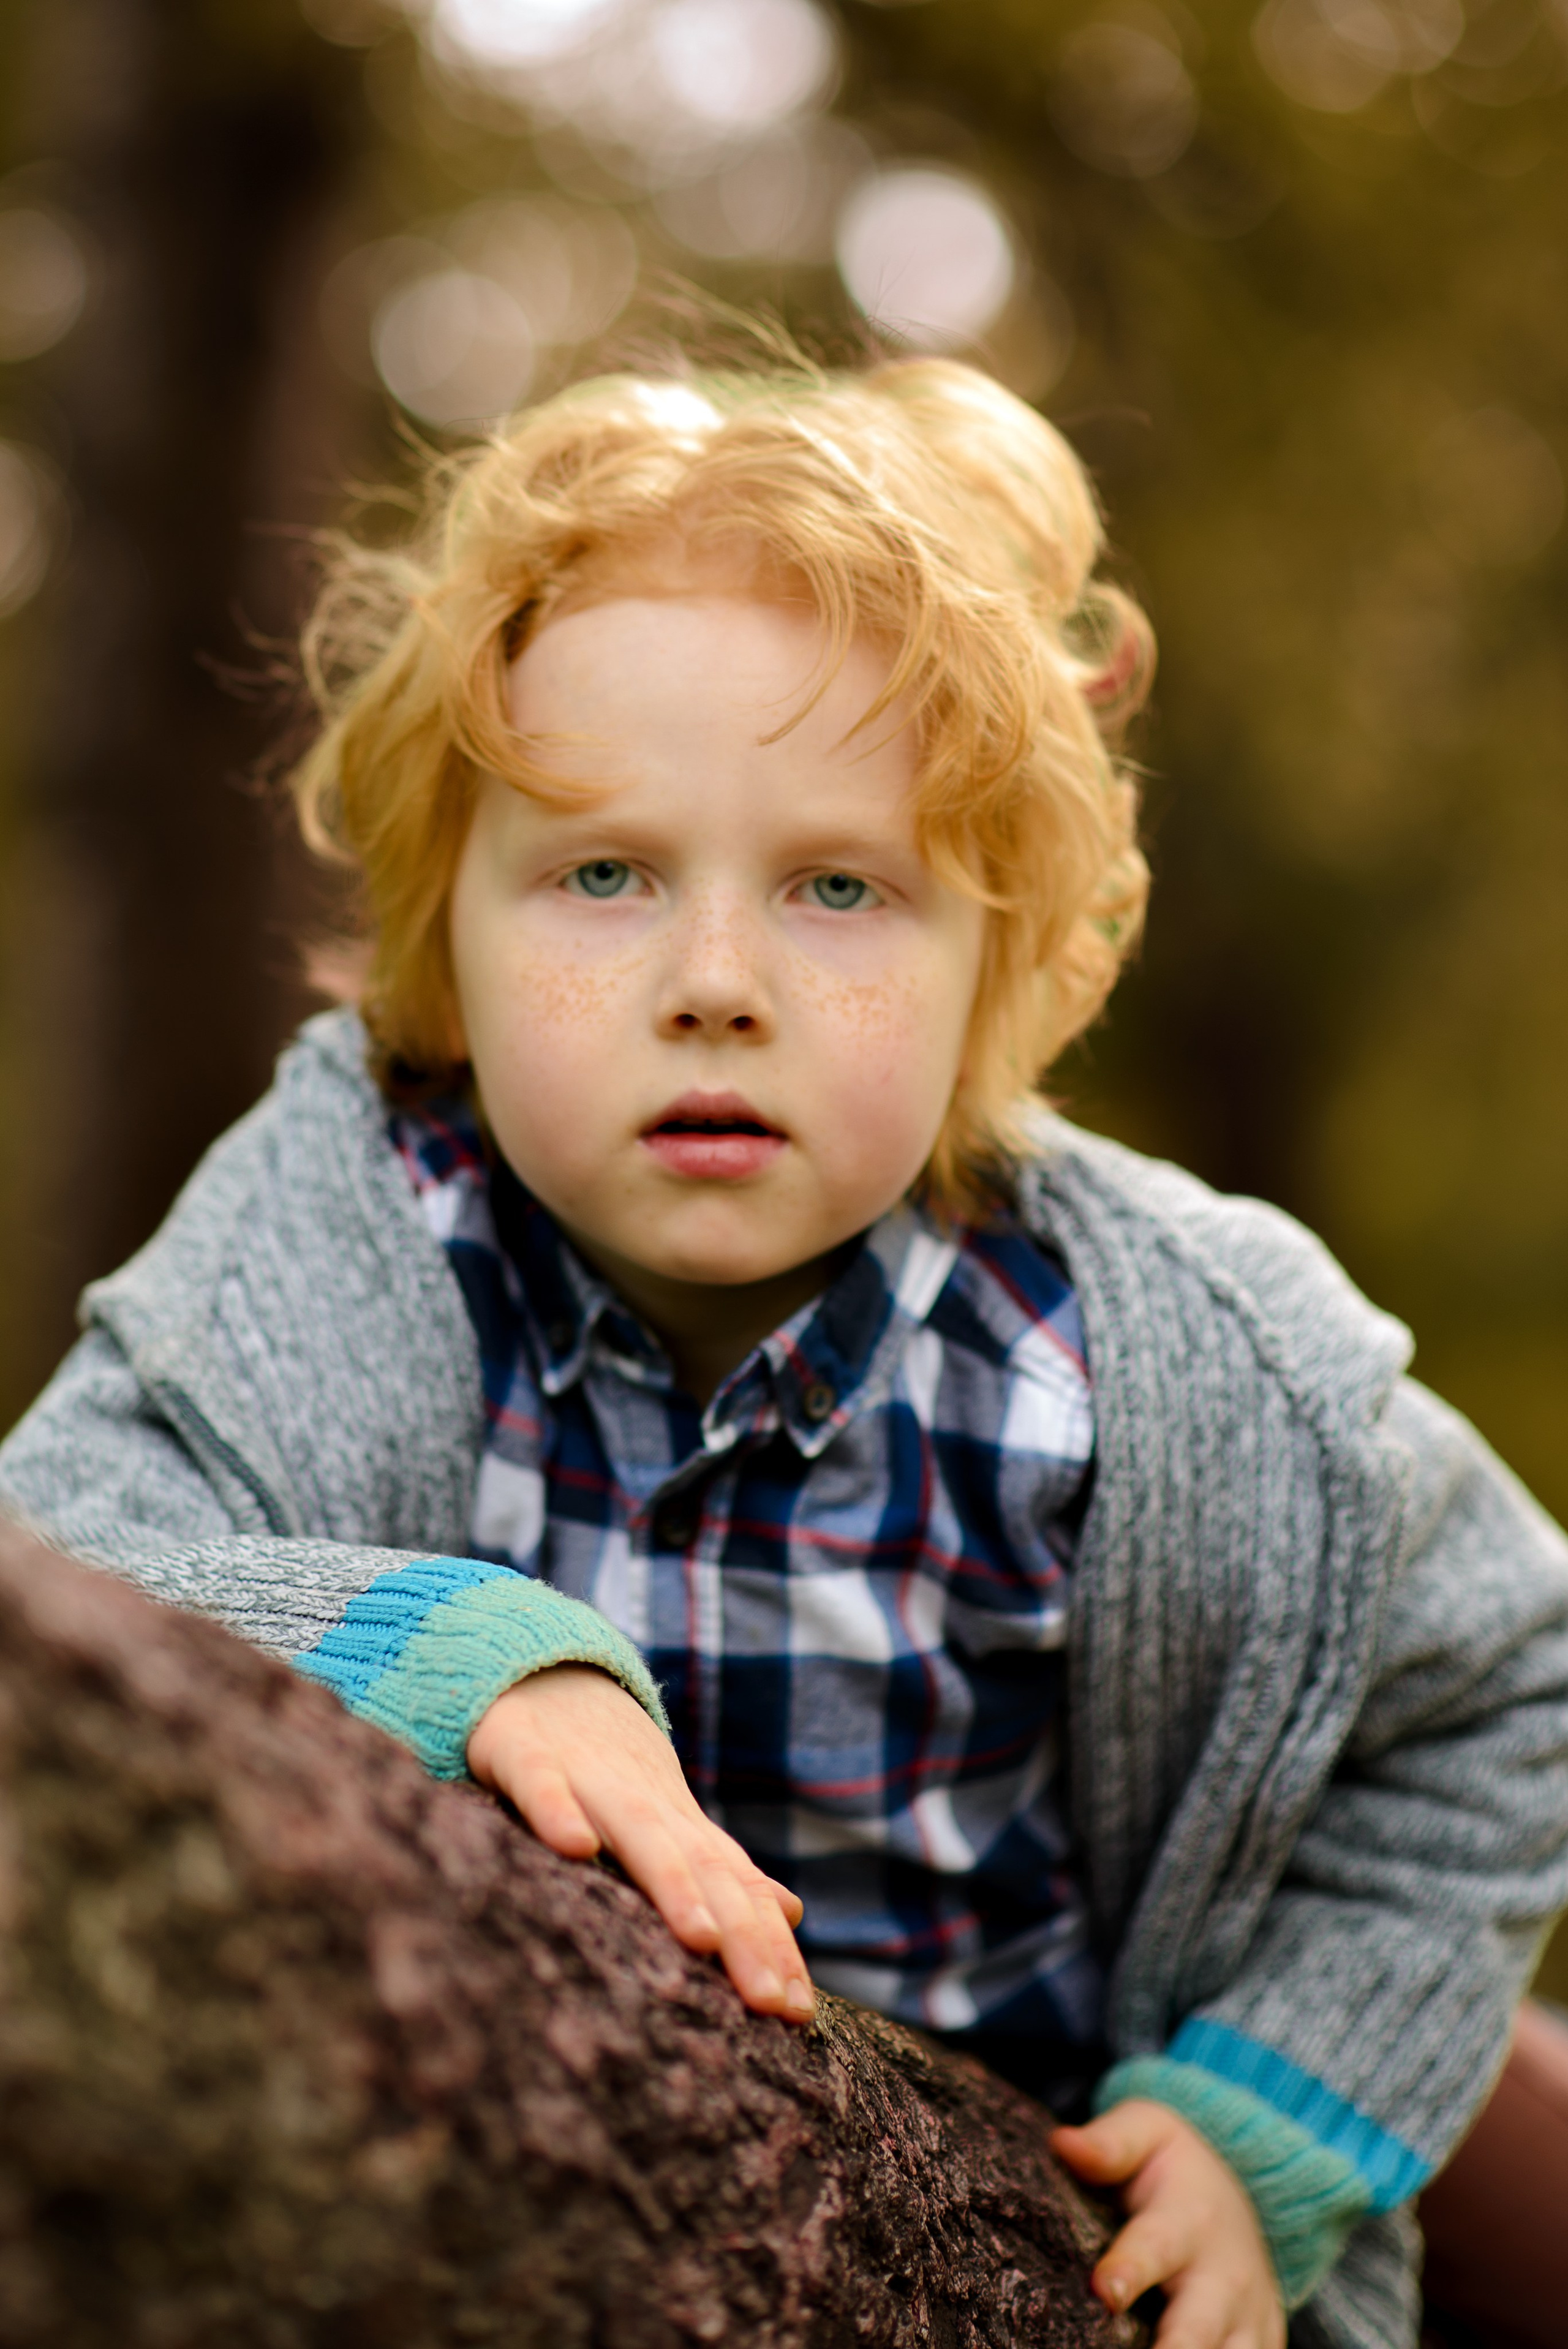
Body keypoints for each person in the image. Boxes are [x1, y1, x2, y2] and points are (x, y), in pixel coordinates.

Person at [2, 350, 1566, 2349]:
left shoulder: (1164, 1364)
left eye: (841, 885)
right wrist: (453, 1654)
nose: (717, 983)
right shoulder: (358, 1226)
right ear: (444, 941)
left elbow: (1505, 1683)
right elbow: (59, 1554)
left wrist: (1272, 2114)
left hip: (1040, 2185)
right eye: (604, 872)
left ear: (993, 958)